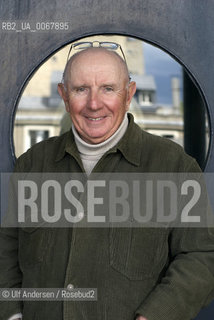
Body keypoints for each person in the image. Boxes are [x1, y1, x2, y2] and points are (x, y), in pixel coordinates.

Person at [0, 42, 214, 320]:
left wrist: (156, 316)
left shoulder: (174, 166)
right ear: (64, 96)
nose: (93, 103)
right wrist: (12, 314)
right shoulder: (32, 164)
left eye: (108, 89)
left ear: (129, 95)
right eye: (80, 89)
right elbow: (7, 250)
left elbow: (202, 255)